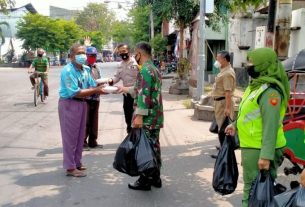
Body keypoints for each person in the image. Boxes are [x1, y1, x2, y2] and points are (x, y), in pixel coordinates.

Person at [225, 47, 290, 207]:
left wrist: (266, 156)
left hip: (261, 148)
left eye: (251, 62)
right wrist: (236, 126)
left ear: (264, 65)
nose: (248, 65)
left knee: (253, 191)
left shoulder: (270, 93)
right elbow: (249, 114)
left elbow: (271, 125)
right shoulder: (255, 87)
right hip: (253, 146)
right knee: (256, 191)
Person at [118, 42, 164, 191]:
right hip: (156, 116)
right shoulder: (154, 69)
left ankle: (145, 180)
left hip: (147, 117)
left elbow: (144, 95)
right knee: (154, 147)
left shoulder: (145, 70)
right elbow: (141, 89)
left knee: (145, 149)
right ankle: (156, 177)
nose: (134, 56)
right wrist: (124, 88)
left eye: (135, 54)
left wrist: (139, 116)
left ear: (139, 53)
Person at [58, 43, 107, 177]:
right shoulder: (68, 71)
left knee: (80, 136)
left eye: (83, 53)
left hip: (82, 103)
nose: (82, 56)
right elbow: (75, 92)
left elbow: (92, 84)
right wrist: (96, 90)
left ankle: (77, 162)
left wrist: (106, 89)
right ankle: (70, 167)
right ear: (71, 56)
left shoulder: (85, 69)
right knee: (70, 137)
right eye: (79, 53)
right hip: (69, 103)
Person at [210, 50, 236, 159]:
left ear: (224, 59)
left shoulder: (227, 73)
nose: (217, 61)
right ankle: (223, 148)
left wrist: (227, 108)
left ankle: (224, 153)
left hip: (223, 103)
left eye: (218, 58)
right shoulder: (223, 70)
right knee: (222, 127)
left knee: (223, 129)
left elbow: (228, 92)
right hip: (219, 102)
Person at [109, 44, 138, 133]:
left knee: (137, 115)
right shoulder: (120, 64)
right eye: (120, 52)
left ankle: (137, 135)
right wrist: (110, 81)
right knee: (128, 115)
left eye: (124, 51)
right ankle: (130, 133)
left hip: (136, 94)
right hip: (126, 94)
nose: (122, 53)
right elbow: (117, 77)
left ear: (128, 51)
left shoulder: (136, 62)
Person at [83, 46, 103, 149]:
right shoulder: (82, 67)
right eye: (90, 55)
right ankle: (83, 142)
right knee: (85, 121)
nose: (92, 57)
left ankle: (93, 141)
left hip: (96, 97)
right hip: (85, 97)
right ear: (86, 55)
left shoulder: (96, 67)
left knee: (94, 120)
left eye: (94, 55)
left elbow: (100, 79)